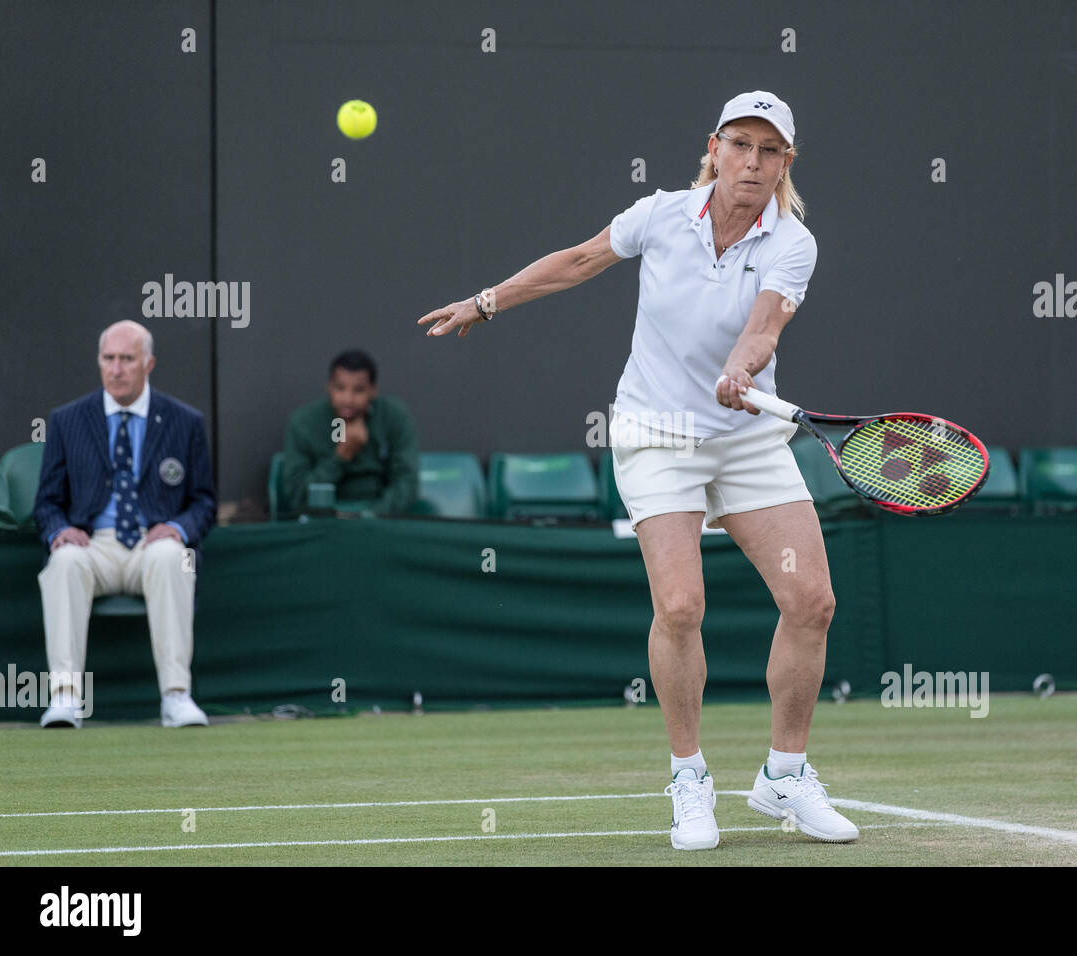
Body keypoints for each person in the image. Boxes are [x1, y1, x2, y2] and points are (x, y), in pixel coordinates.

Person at [419, 91, 859, 850]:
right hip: (656, 435)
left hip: (747, 436)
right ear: (714, 149)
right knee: (681, 605)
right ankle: (689, 779)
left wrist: (738, 367)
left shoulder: (794, 242)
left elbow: (765, 325)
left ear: (785, 163)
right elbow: (581, 260)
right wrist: (486, 301)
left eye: (769, 151)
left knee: (811, 599)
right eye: (740, 145)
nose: (752, 162)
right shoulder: (659, 214)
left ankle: (784, 774)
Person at [33, 320, 216, 728]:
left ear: (148, 363)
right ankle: (65, 698)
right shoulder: (67, 420)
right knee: (62, 563)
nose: (116, 369)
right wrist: (60, 530)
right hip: (92, 545)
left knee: (174, 557)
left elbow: (204, 502)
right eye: (108, 359)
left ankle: (176, 696)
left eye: (127, 359)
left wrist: (179, 528)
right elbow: (46, 502)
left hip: (151, 545)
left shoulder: (184, 421)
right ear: (99, 362)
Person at [281, 350, 419, 518]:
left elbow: (406, 483)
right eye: (340, 388)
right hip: (324, 521)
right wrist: (341, 457)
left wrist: (371, 515)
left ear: (373, 391)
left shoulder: (394, 416)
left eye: (359, 390)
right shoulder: (303, 423)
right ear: (329, 387)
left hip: (379, 519)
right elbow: (297, 495)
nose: (348, 399)